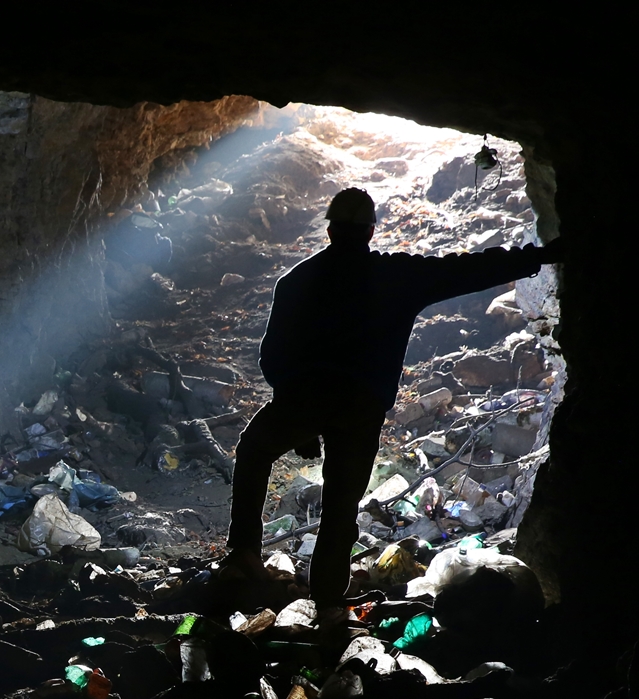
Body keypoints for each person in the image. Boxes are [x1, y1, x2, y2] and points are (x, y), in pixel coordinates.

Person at [223, 186, 564, 612]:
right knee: (340, 506)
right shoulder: (396, 276)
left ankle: (243, 555)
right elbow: (465, 270)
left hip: (304, 399)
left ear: (330, 230)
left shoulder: (296, 280)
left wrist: (300, 423)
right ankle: (327, 604)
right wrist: (537, 256)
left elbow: (272, 357)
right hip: (359, 407)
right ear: (370, 232)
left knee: (254, 451)